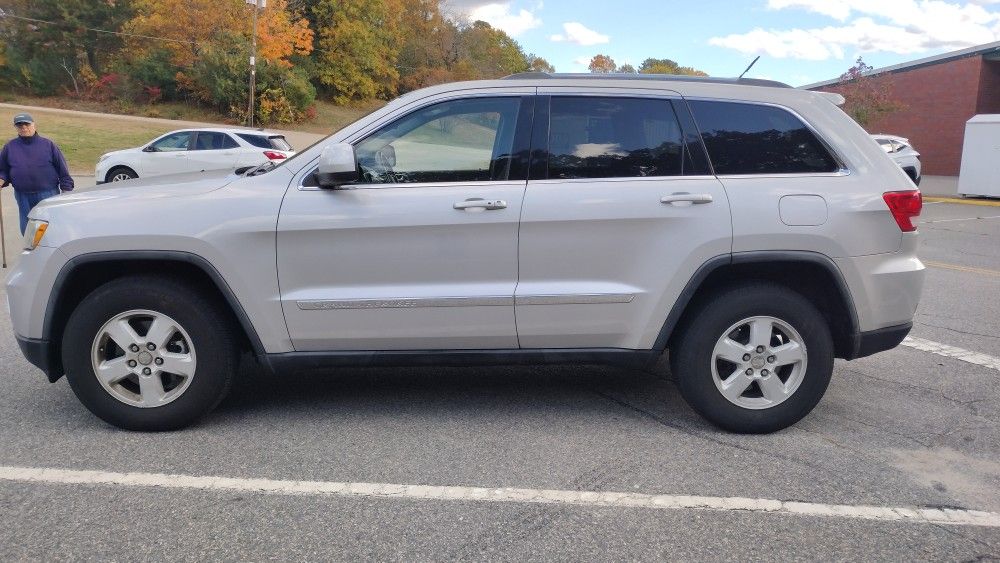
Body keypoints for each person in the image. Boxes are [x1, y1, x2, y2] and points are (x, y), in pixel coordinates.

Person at [0, 113, 74, 234]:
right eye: (19, 125)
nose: (24, 127)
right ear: (16, 128)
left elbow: (62, 169)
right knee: (28, 229)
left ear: (34, 125)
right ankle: (31, 251)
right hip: (22, 195)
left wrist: (67, 190)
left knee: (49, 227)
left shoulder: (48, 145)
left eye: (26, 124)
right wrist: (1, 179)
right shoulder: (10, 147)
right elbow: (3, 169)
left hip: (48, 193)